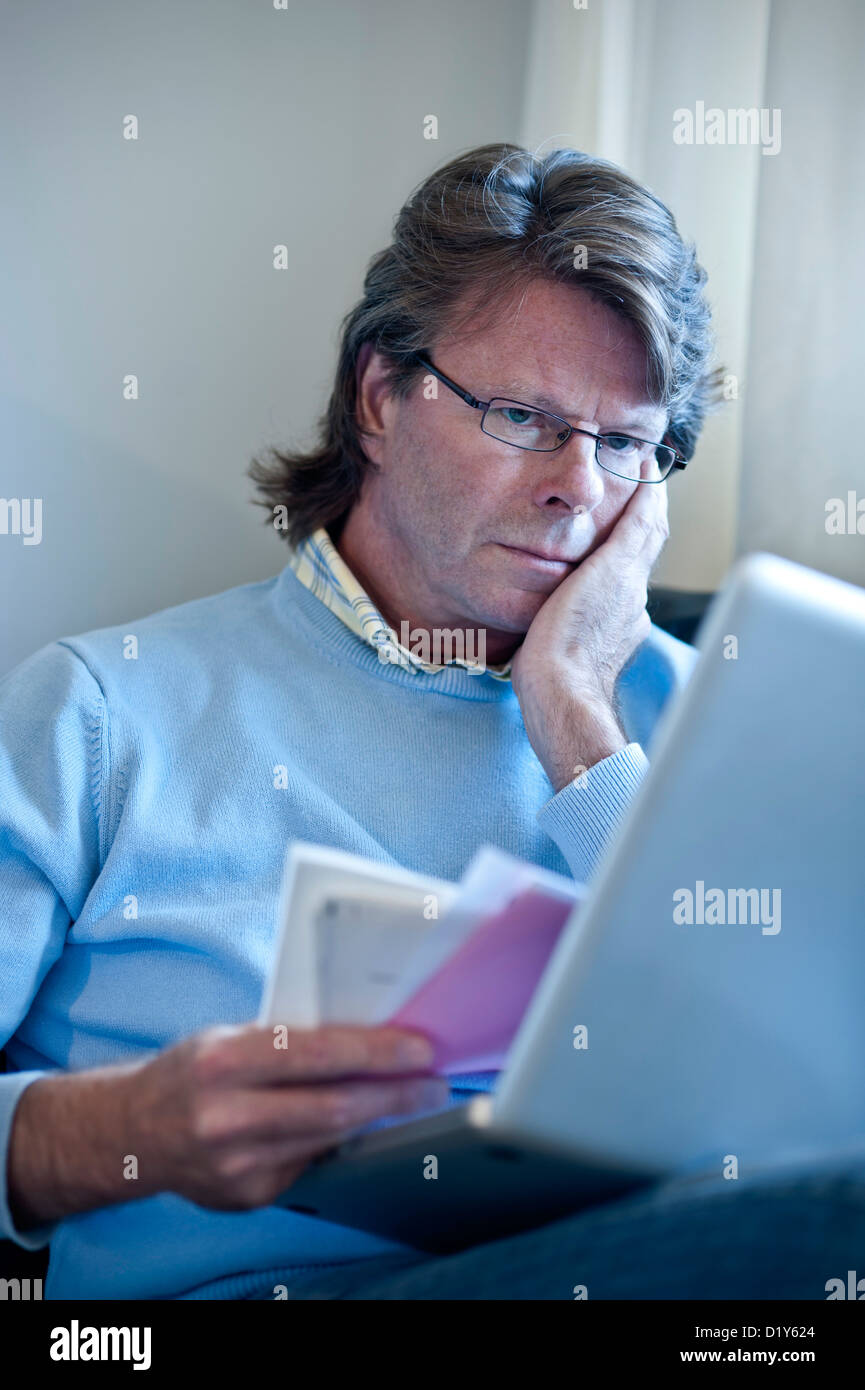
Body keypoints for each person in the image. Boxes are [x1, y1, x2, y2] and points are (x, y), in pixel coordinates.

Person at [7, 141, 847, 1303]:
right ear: (378, 396)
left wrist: (575, 720)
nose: (577, 487)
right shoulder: (102, 714)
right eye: (521, 416)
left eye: (625, 444)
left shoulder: (716, 710)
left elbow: (815, 1103)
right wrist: (131, 1124)